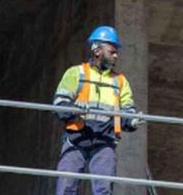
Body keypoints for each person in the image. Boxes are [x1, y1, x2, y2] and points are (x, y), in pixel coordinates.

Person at [52, 26, 141, 195]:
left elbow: (127, 110)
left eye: (116, 52)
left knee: (103, 190)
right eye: (112, 51)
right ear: (98, 50)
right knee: (65, 188)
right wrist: (75, 109)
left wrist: (132, 120)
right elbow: (58, 105)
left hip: (104, 142)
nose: (116, 55)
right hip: (76, 139)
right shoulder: (76, 74)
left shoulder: (120, 81)